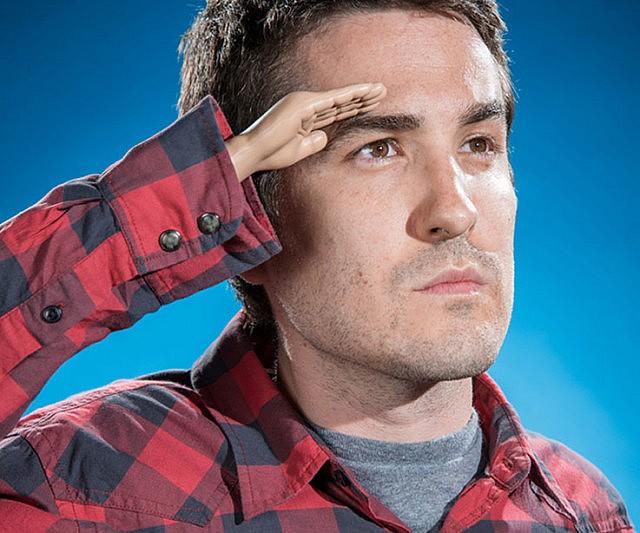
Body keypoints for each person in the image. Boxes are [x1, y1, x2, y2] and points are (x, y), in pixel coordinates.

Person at [0, 1, 633, 532]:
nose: (455, 211)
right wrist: (196, 189)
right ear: (249, 210)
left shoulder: (582, 510)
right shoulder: (76, 488)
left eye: (478, 144)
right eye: (377, 149)